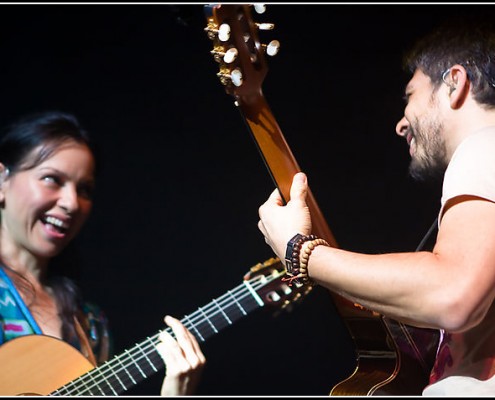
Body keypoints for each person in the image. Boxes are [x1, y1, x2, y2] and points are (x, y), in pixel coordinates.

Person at [257, 16, 495, 396]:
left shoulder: (484, 145)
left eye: (411, 96)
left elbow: (453, 294)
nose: (401, 124)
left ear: (455, 82)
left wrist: (299, 252)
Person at [0, 111, 205, 396]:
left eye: (84, 189)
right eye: (51, 179)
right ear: (2, 180)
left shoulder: (90, 323)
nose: (72, 203)